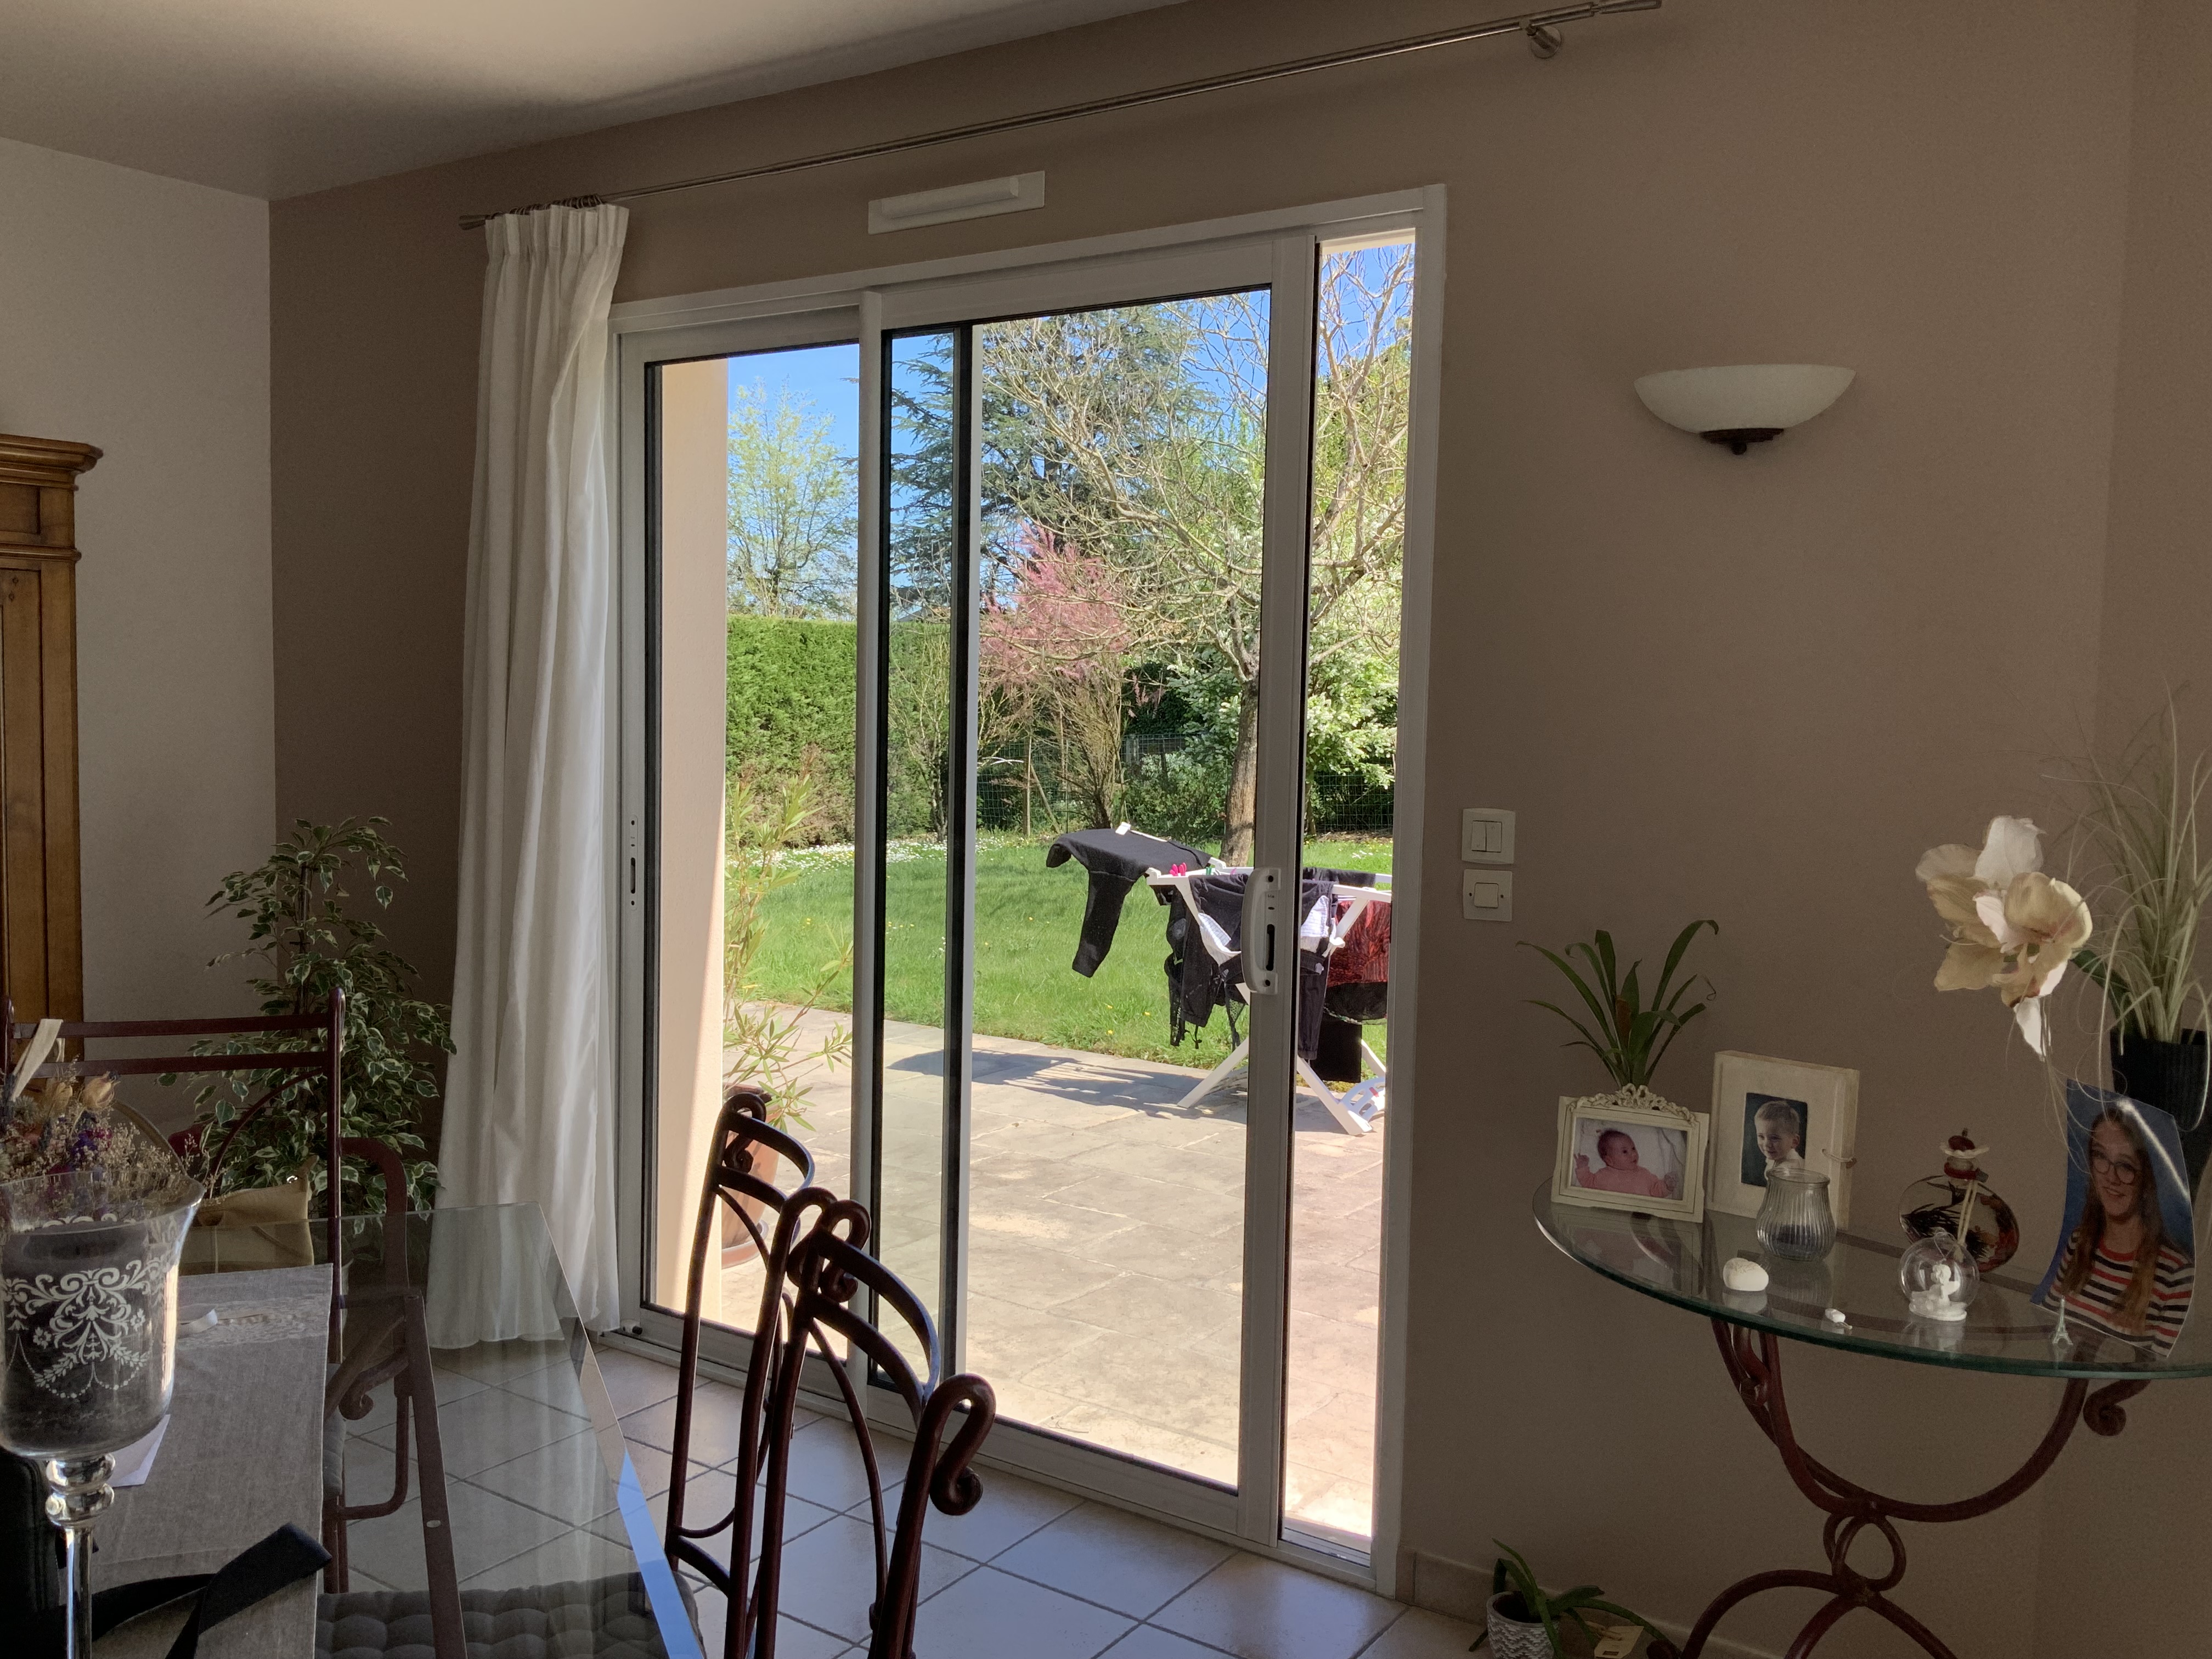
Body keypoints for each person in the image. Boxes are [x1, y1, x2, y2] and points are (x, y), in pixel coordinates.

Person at [2050, 1105, 2193, 1349]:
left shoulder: (2177, 1274)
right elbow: (2049, 1328)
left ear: (2146, 1176)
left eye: (2126, 1166)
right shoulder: (2078, 1243)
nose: (2111, 1177)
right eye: (2101, 1157)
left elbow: (2157, 1370)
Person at [1575, 1127, 1676, 1199]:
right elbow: (1588, 1183)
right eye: (1625, 1152)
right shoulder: (1603, 1175)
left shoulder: (1643, 1174)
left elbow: (1656, 1190)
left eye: (1633, 1148)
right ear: (1609, 1160)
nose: (1633, 1154)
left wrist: (1667, 1186)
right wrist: (1582, 1167)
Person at [1754, 1098, 1805, 1169]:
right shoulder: (1777, 1156)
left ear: (1794, 1142)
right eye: (1761, 1137)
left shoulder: (1789, 1168)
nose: (1766, 1144)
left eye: (1774, 1138)